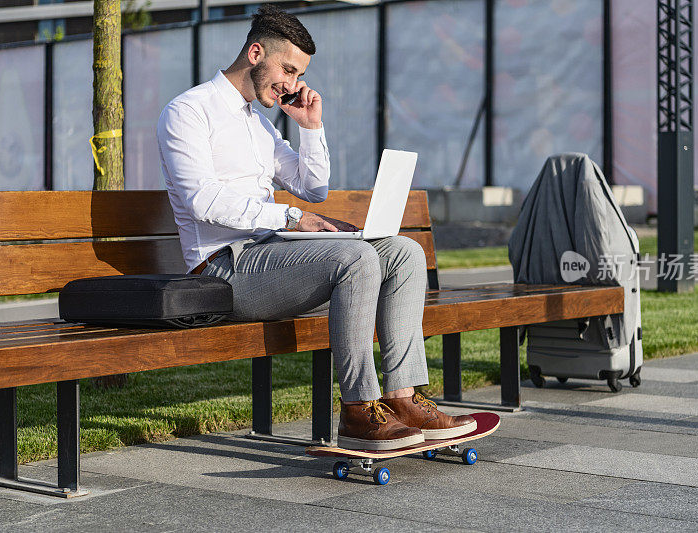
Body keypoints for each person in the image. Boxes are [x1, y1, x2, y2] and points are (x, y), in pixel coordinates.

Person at [157, 4, 475, 450]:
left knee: (404, 252)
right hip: (220, 271)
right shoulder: (188, 112)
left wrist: (310, 128)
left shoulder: (259, 126)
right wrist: (289, 217)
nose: (292, 84)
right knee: (357, 257)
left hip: (271, 258)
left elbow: (313, 188)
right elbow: (202, 201)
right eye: (287, 69)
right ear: (255, 53)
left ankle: (403, 397)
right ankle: (359, 409)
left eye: (298, 73)